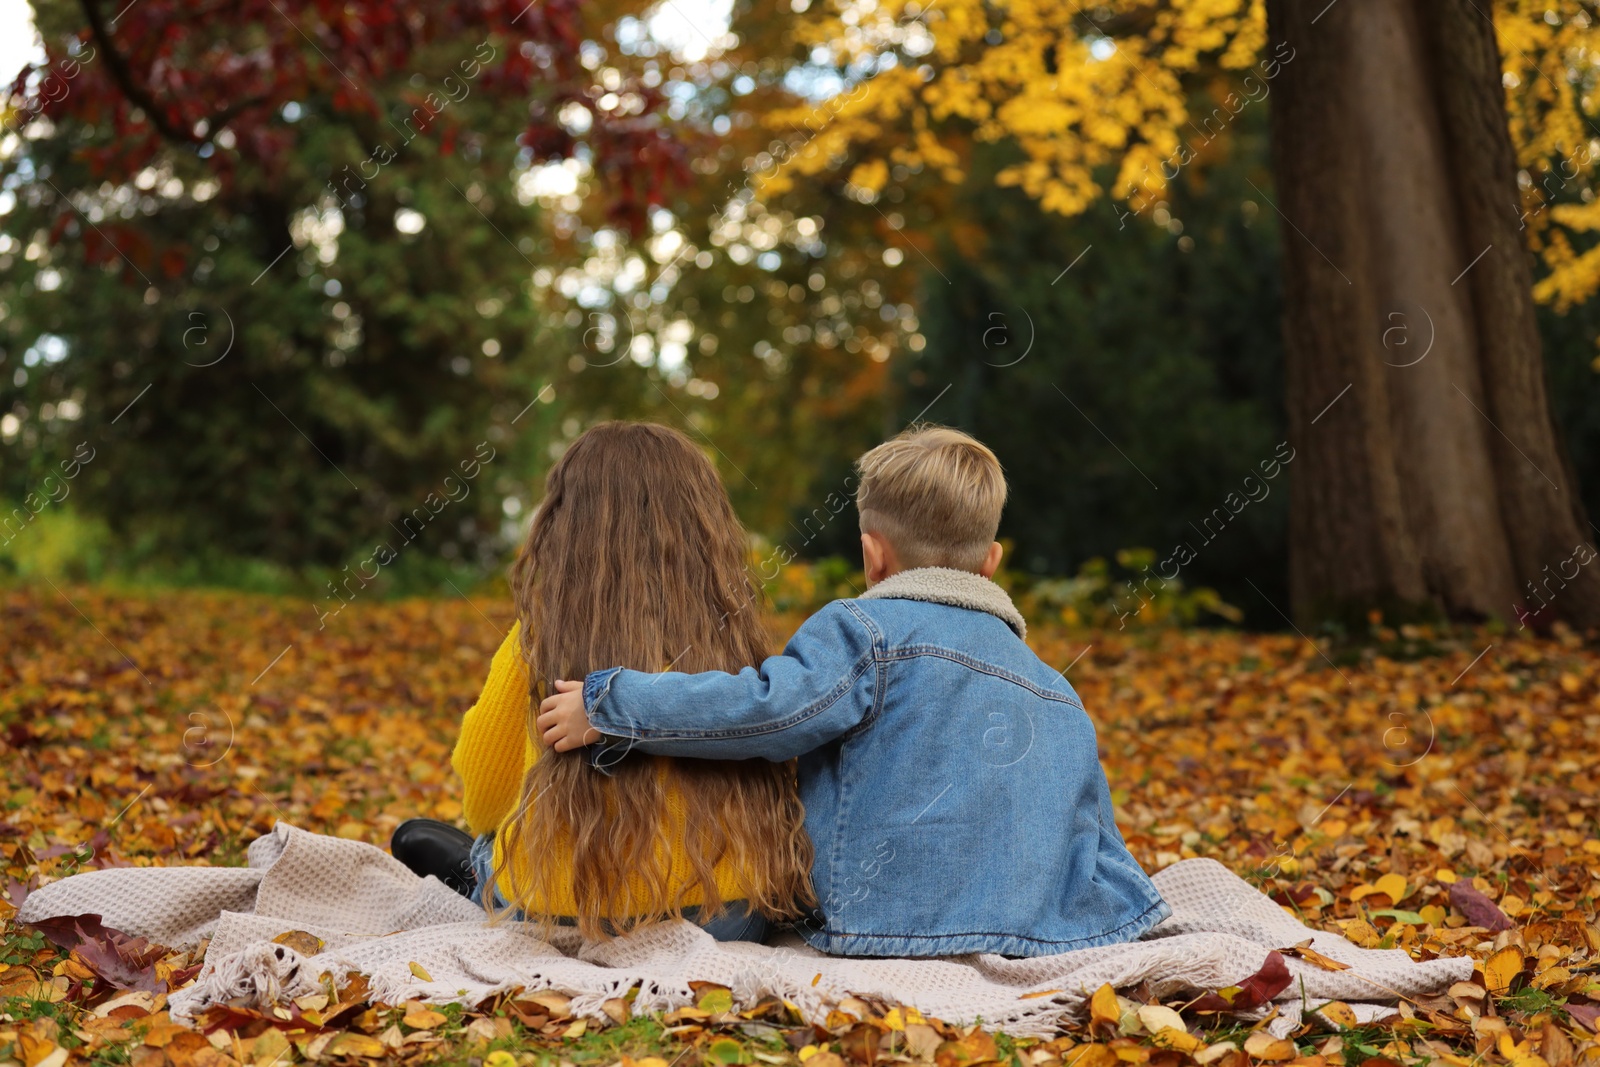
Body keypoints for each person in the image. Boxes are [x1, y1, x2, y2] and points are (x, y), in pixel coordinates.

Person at [537, 425, 1171, 957]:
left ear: (873, 556)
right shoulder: (1056, 690)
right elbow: (1089, 829)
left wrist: (612, 705)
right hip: (1036, 932)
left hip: (879, 923)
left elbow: (767, 712)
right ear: (991, 563)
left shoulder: (865, 634)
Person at [391, 422, 814, 942]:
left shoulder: (537, 640)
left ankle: (471, 868)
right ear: (707, 528)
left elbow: (484, 794)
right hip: (725, 915)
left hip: (558, 910)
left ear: (565, 524)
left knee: (485, 844)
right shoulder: (728, 639)